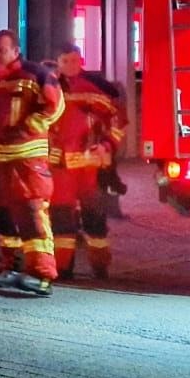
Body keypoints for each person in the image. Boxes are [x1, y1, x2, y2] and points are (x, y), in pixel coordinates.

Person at [0, 29, 64, 297]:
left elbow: (55, 105)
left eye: (2, 50)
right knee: (3, 217)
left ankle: (43, 276)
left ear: (15, 51)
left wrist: (28, 127)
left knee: (32, 213)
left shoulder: (36, 75)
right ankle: (13, 268)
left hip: (27, 159)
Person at [49, 44, 127, 280]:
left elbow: (117, 121)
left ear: (81, 61)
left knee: (95, 219)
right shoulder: (49, 88)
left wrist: (106, 146)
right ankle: (63, 268)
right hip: (61, 165)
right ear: (58, 63)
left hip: (90, 165)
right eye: (65, 62)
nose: (71, 66)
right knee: (61, 218)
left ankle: (100, 266)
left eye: (74, 61)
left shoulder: (94, 88)